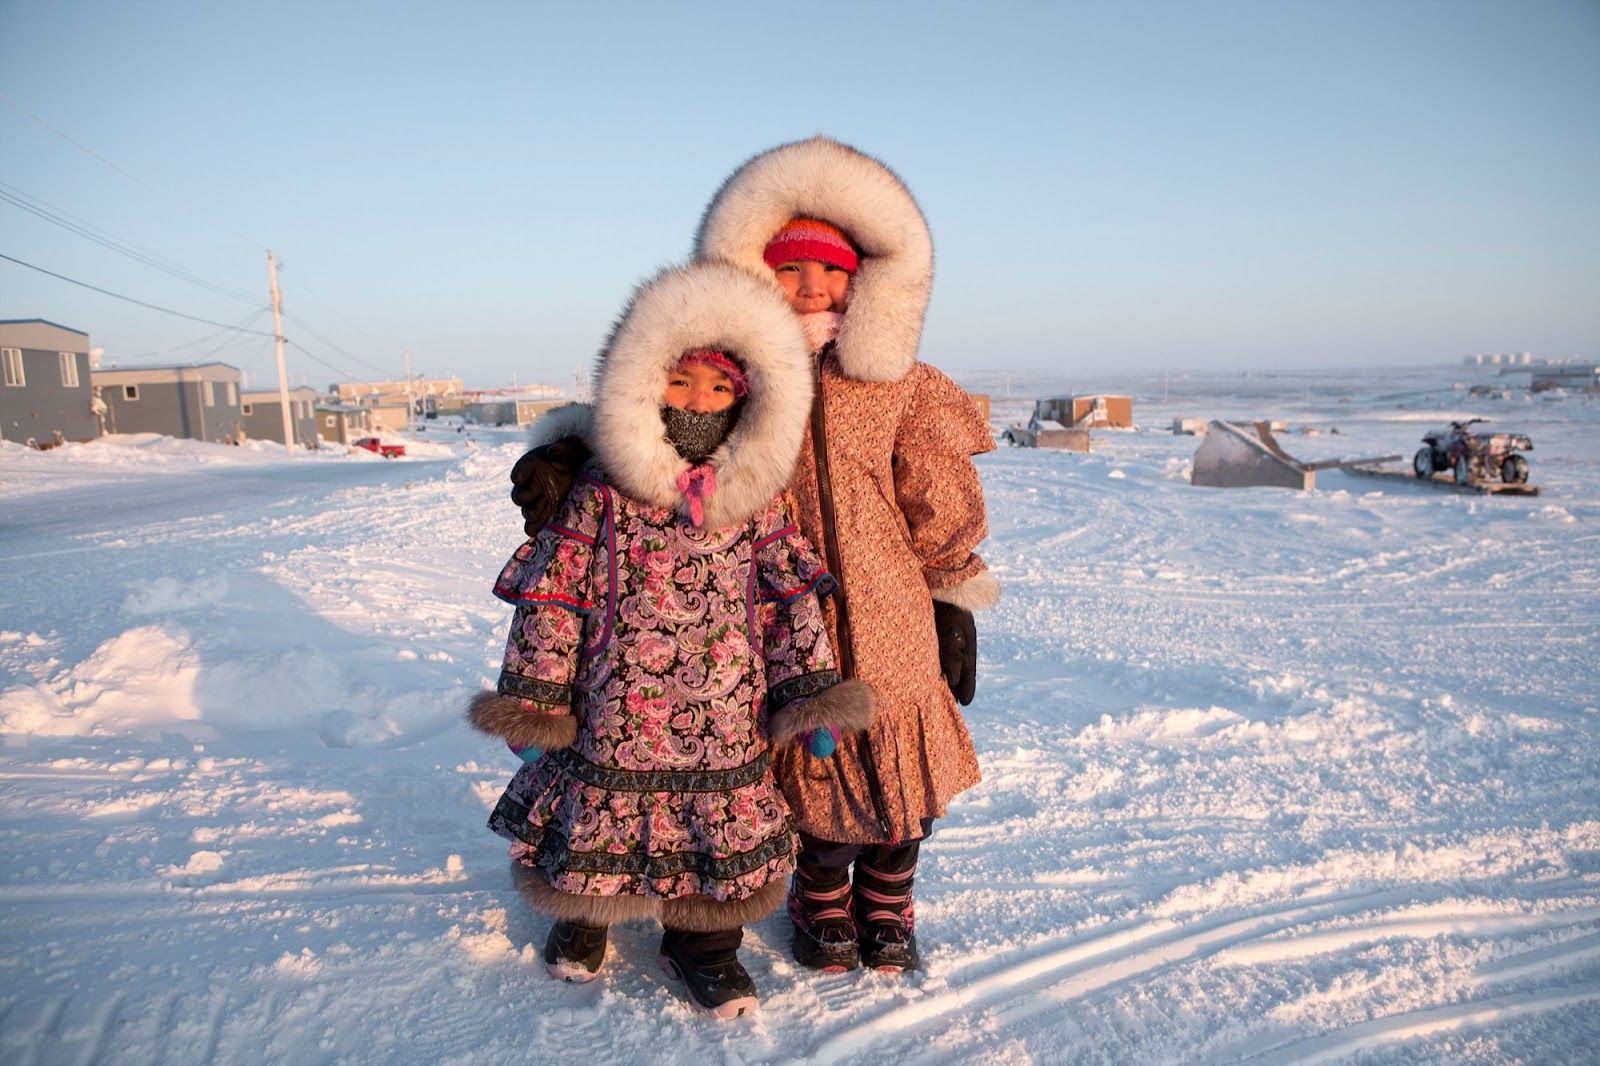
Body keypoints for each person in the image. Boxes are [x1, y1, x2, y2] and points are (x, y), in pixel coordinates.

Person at [510, 136, 996, 974]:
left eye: (834, 271)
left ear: (873, 276)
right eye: (792, 271)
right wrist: (570, 449)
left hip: (888, 612)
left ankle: (887, 902)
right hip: (763, 614)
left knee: (899, 774)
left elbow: (933, 489)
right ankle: (817, 897)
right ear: (751, 274)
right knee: (796, 767)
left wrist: (951, 592)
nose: (814, 290)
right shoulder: (739, 367)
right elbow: (654, 407)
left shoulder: (899, 382)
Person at [469, 261, 874, 1018]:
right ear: (645, 384)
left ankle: (704, 950)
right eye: (681, 382)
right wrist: (535, 701)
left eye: (720, 388)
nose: (698, 401)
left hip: (724, 716)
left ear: (747, 399)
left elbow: (791, 606)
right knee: (593, 815)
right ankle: (582, 922)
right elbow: (553, 603)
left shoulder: (757, 498)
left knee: (711, 843)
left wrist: (812, 695)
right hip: (613, 708)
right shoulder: (602, 490)